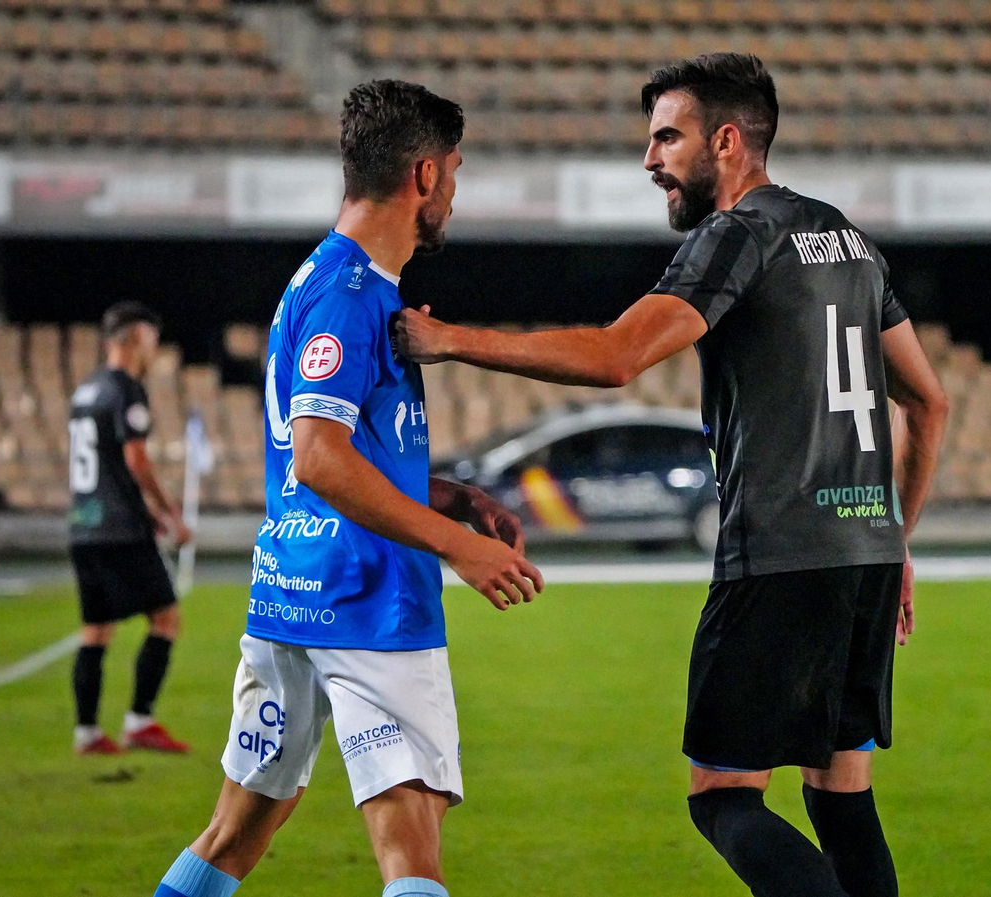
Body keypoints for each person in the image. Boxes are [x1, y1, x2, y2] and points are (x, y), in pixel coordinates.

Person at [397, 53, 949, 897]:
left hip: (778, 556)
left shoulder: (738, 234)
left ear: (726, 142)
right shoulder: (847, 236)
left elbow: (619, 355)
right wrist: (892, 539)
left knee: (723, 798)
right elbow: (929, 401)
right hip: (863, 554)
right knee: (840, 794)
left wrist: (450, 340)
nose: (649, 159)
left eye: (666, 137)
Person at [150, 80, 541, 897]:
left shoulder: (320, 281)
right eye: (457, 175)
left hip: (291, 595)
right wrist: (458, 545)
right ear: (424, 177)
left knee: (234, 834)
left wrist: (447, 495)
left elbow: (340, 447)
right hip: (372, 606)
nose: (456, 197)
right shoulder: (352, 294)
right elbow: (319, 459)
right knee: (411, 841)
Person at [67, 301, 193, 756]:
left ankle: (87, 732)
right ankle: (140, 720)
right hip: (121, 529)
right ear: (137, 337)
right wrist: (169, 514)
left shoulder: (86, 390)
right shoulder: (125, 389)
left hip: (83, 524)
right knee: (166, 618)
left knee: (95, 631)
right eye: (152, 337)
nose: (154, 346)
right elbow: (135, 460)